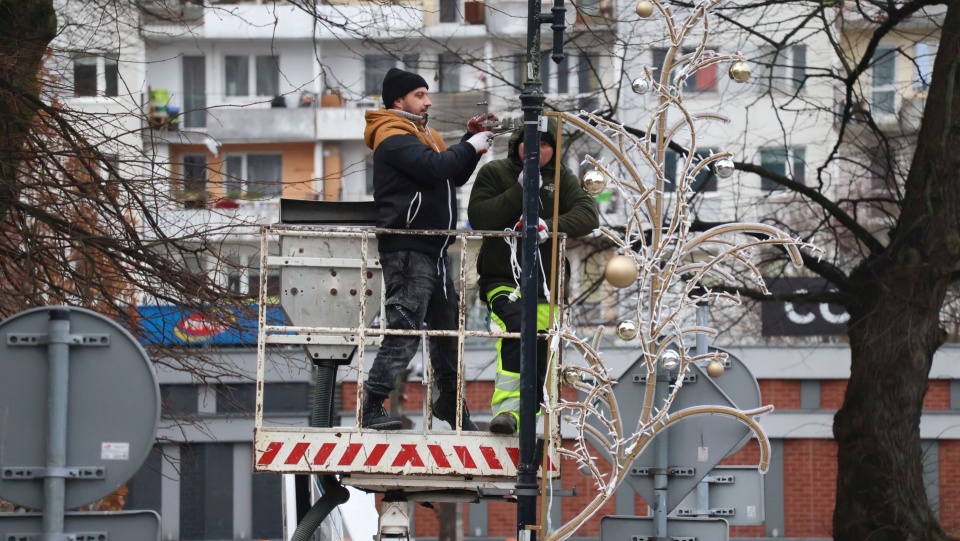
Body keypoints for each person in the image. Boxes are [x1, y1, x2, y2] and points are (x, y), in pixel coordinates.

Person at [361, 67, 495, 431]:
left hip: (433, 249)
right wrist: (470, 145)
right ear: (398, 101)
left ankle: (449, 403)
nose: (428, 101)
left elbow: (451, 173)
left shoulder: (424, 135)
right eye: (420, 95)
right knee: (404, 328)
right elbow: (437, 168)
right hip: (408, 247)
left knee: (446, 333)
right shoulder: (391, 135)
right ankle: (371, 405)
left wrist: (472, 143)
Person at [467, 119, 599, 435]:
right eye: (531, 142)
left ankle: (528, 418)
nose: (538, 149)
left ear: (554, 148)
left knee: (541, 348)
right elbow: (480, 215)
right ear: (517, 144)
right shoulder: (494, 173)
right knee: (516, 330)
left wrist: (546, 226)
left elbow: (588, 214)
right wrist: (520, 190)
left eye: (545, 144)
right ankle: (508, 413)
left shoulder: (562, 178)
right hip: (501, 277)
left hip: (546, 283)